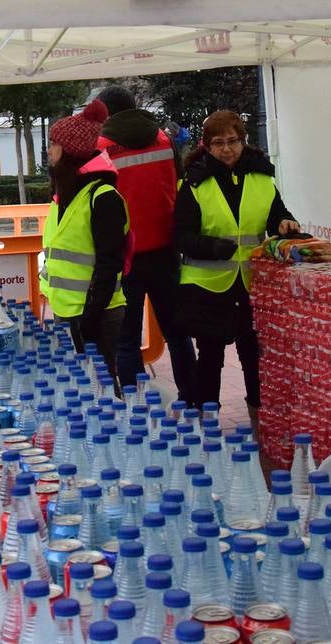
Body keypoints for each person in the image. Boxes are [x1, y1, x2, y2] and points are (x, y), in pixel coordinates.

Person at [174, 110, 299, 421]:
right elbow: (181, 237)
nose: (226, 149)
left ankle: (259, 413)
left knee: (253, 352)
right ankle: (207, 415)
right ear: (206, 146)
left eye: (233, 141)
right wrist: (213, 247)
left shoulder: (262, 177)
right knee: (211, 355)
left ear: (243, 142)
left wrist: (286, 224)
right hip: (207, 283)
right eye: (218, 143)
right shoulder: (194, 182)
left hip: (251, 283)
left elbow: (277, 215)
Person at [94, 85, 196, 401]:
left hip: (127, 257)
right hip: (166, 250)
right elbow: (178, 184)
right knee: (178, 334)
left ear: (106, 114)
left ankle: (136, 406)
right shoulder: (165, 139)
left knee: (127, 339)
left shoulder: (101, 148)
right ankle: (192, 401)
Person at [40, 100, 129, 379]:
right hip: (67, 311)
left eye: (53, 144)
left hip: (97, 316)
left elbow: (109, 261)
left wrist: (92, 314)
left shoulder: (102, 198)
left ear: (69, 152)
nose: (49, 151)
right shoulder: (63, 196)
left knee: (100, 391)